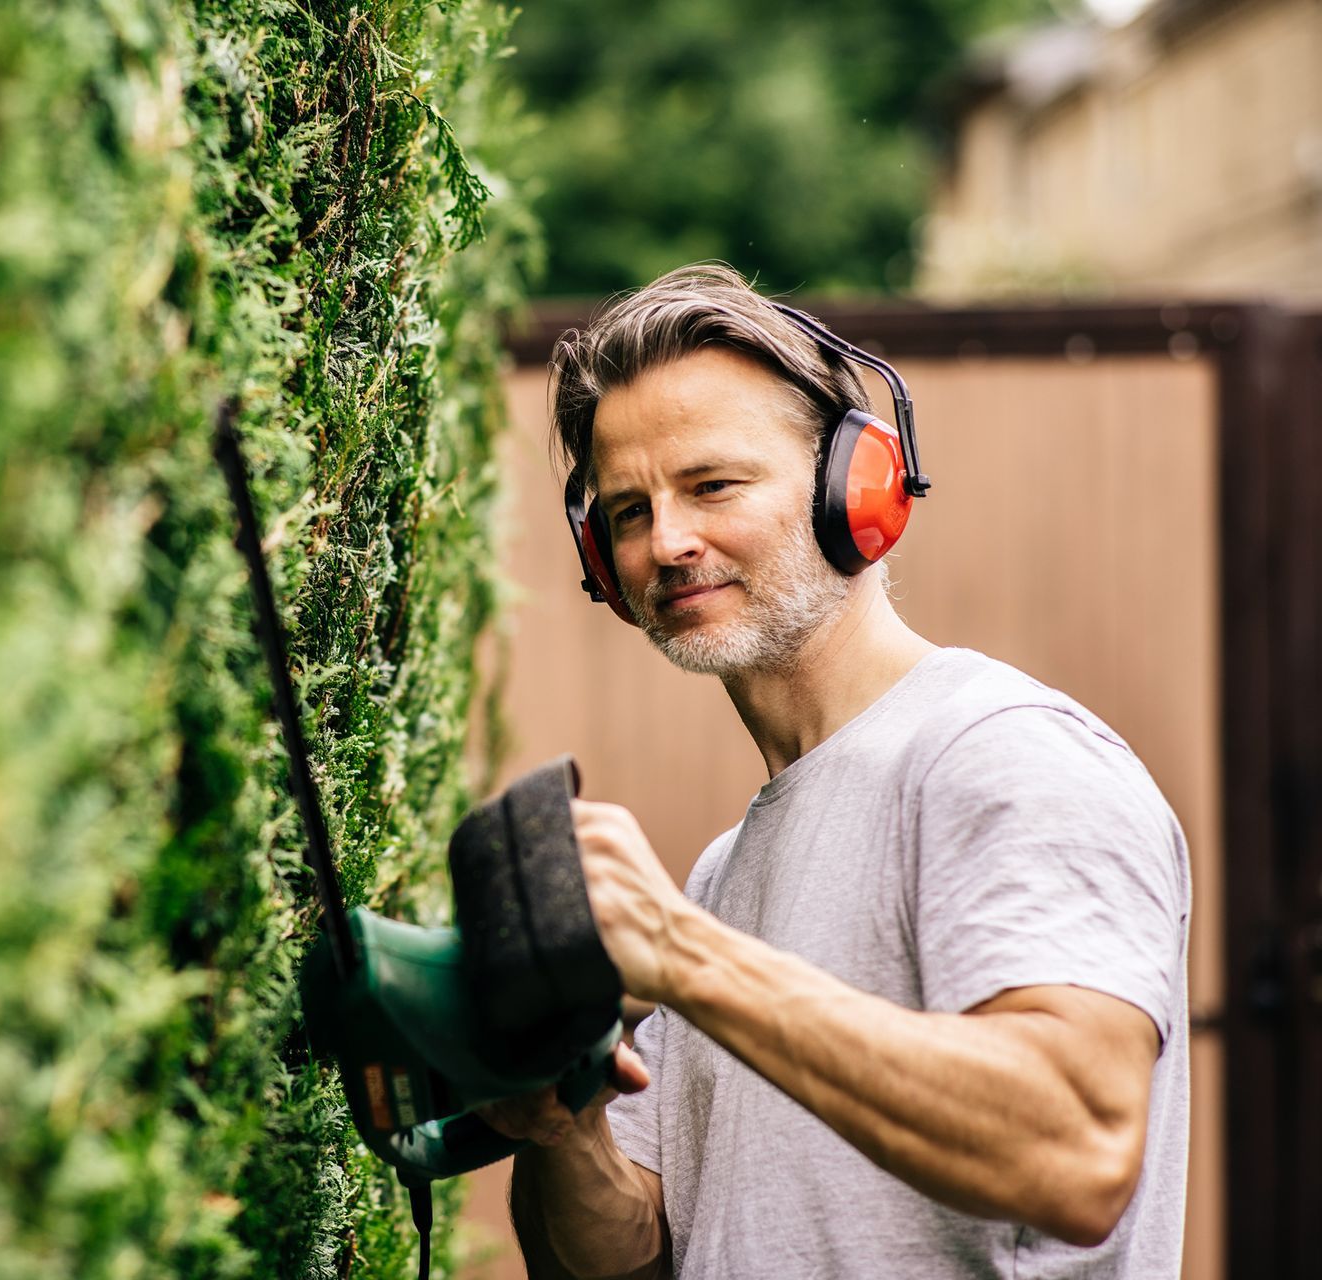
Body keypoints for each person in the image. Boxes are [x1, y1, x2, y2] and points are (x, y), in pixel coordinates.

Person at [487, 264, 1192, 1279]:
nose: (668, 542)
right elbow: (637, 1253)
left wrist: (686, 957)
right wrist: (560, 1120)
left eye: (712, 485)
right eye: (628, 511)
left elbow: (1078, 1150)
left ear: (855, 484)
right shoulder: (725, 874)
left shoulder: (1000, 752)